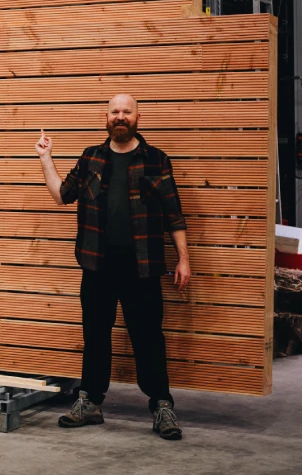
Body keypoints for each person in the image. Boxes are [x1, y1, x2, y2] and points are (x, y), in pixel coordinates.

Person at [35, 93, 189, 440]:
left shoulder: (156, 160)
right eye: (114, 112)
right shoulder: (91, 158)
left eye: (127, 112)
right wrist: (46, 158)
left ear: (138, 117)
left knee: (149, 338)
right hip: (98, 266)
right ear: (106, 117)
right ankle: (89, 403)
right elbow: (61, 195)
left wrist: (184, 258)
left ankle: (162, 405)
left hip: (143, 267)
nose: (120, 117)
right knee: (95, 336)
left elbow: (174, 214)